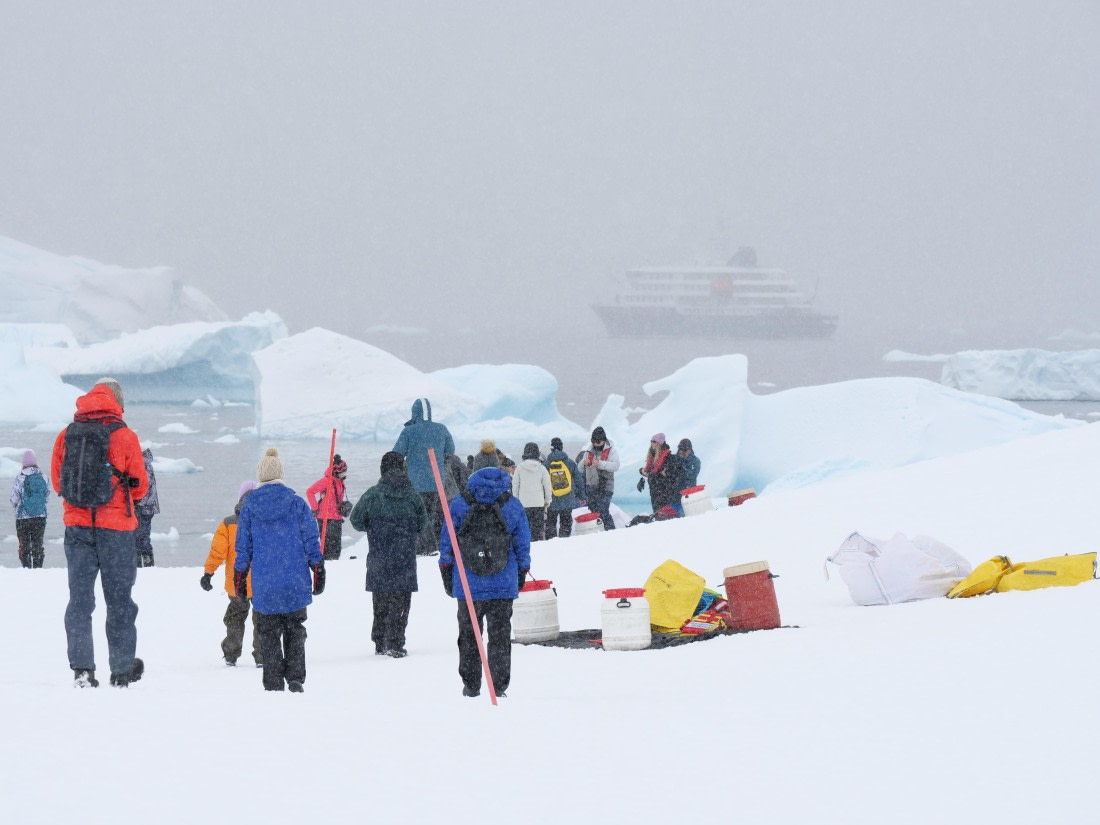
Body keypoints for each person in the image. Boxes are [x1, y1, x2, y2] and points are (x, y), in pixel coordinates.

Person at [51, 378, 147, 688]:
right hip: (116, 530)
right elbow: (140, 486)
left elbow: (58, 482)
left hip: (77, 527)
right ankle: (121, 669)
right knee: (119, 600)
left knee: (80, 600)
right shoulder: (125, 436)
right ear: (117, 403)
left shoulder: (66, 435)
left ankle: (82, 670)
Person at [234, 447, 324, 692]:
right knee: (295, 630)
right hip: (294, 580)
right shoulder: (297, 504)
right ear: (281, 473)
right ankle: (295, 678)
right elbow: (311, 540)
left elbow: (243, 548)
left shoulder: (249, 507)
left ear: (260, 475)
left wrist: (239, 579)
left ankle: (273, 683)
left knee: (268, 633)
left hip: (265, 584)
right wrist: (318, 569)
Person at [439, 467, 531, 698]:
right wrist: (522, 569)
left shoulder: (459, 504)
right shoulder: (513, 505)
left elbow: (447, 542)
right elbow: (522, 542)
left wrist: (446, 571)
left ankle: (471, 685)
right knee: (500, 637)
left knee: (469, 637)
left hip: (469, 584)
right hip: (503, 582)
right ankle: (498, 687)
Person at [349, 451, 428, 658]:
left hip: (379, 557)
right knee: (401, 601)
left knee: (381, 601)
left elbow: (355, 520)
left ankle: (380, 642)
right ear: (403, 468)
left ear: (382, 469)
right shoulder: (413, 495)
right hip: (404, 558)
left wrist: (373, 527)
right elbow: (423, 524)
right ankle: (396, 642)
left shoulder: (373, 494)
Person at [200, 480, 262, 667]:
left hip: (237, 582)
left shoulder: (229, 523)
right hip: (262, 582)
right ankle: (262, 655)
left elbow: (218, 551)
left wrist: (208, 572)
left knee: (235, 618)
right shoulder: (266, 520)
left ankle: (231, 654)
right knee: (262, 619)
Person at [392, 398, 455, 556]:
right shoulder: (441, 429)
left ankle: (424, 547)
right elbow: (450, 451)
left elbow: (396, 454)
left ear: (414, 413)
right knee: (432, 514)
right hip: (436, 482)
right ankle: (433, 546)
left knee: (417, 515)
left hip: (415, 483)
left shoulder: (408, 431)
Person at [11, 449, 50, 568]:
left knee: (24, 546)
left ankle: (26, 569)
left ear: (23, 463)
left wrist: (17, 507)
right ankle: (38, 569)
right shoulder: (43, 477)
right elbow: (47, 496)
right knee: (38, 544)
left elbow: (14, 498)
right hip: (40, 517)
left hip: (23, 518)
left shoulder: (20, 478)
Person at [307, 454, 350, 560]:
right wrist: (315, 508)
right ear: (338, 472)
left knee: (336, 548)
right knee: (328, 548)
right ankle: (326, 564)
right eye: (344, 471)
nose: (345, 473)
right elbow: (310, 492)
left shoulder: (340, 482)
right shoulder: (326, 481)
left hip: (337, 518)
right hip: (325, 518)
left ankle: (335, 564)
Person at [578, 426, 620, 530]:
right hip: (591, 487)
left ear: (604, 440)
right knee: (595, 513)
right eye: (593, 441)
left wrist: (599, 463)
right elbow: (580, 469)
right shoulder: (589, 450)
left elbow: (616, 466)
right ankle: (600, 533)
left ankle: (611, 532)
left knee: (603, 512)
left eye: (598, 442)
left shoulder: (612, 450)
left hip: (606, 486)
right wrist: (583, 463)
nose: (596, 444)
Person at [512, 442, 552, 542]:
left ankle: (527, 546)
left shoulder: (519, 468)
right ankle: (537, 546)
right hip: (538, 504)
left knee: (525, 530)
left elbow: (515, 487)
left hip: (523, 504)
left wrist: (516, 502)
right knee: (537, 531)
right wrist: (547, 501)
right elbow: (547, 487)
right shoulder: (542, 468)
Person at [543, 437, 580, 538]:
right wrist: (582, 495)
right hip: (567, 498)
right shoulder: (570, 463)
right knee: (566, 522)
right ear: (562, 447)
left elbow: (542, 482)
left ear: (551, 448)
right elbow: (578, 480)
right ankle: (564, 540)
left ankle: (551, 541)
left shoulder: (546, 464)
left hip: (552, 499)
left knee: (551, 522)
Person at [639, 433, 682, 515]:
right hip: (654, 491)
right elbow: (651, 472)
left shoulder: (668, 457)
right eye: (651, 441)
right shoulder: (652, 456)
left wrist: (654, 475)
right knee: (657, 513)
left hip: (664, 492)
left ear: (659, 443)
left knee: (663, 515)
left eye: (654, 441)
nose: (652, 443)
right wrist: (641, 471)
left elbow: (667, 474)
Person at [134, 447, 159, 567]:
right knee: (142, 537)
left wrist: (138, 504)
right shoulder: (144, 464)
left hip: (144, 508)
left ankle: (140, 565)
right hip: (147, 508)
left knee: (139, 537)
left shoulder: (143, 465)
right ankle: (146, 565)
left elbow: (145, 488)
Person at [674, 438, 701, 516]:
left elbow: (693, 475)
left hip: (688, 496)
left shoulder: (695, 461)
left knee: (685, 517)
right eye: (680, 449)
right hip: (674, 496)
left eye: (684, 450)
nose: (682, 452)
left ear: (689, 449)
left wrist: (683, 471)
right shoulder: (674, 459)